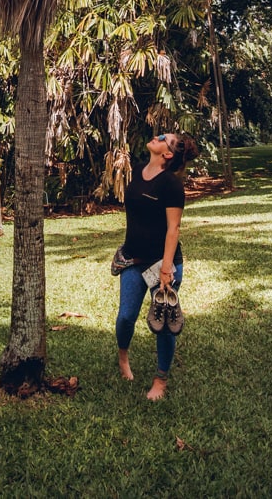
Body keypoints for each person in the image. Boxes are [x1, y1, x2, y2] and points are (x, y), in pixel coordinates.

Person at [115, 131, 198, 400]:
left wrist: (165, 269)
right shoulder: (138, 171)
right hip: (133, 260)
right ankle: (123, 357)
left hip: (163, 265)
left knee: (164, 321)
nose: (156, 136)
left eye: (163, 137)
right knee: (126, 317)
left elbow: (173, 229)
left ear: (168, 154)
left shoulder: (171, 185)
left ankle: (160, 380)